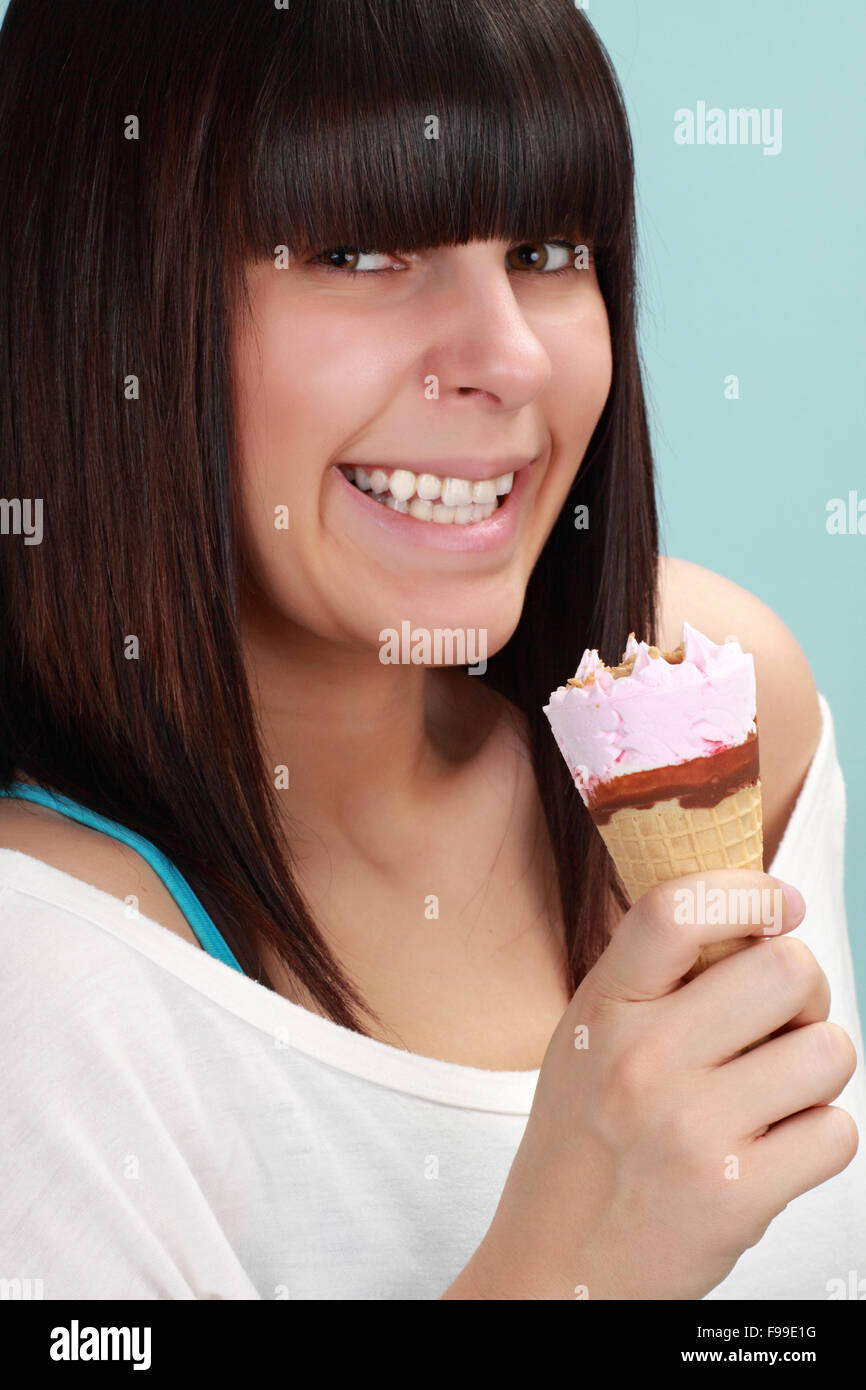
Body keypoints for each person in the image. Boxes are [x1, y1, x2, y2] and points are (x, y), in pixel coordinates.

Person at [0, 0, 861, 1301]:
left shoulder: (726, 706)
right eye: (358, 251)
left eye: (545, 248)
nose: (507, 358)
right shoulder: (46, 966)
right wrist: (566, 1266)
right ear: (101, 298)